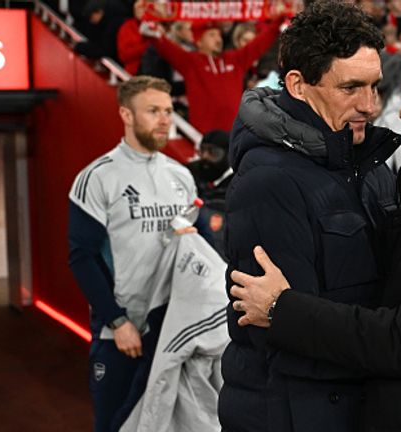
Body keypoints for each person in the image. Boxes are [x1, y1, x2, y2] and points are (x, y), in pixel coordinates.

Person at [220, 3, 401, 431]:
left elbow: (379, 298)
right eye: (350, 88)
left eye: (375, 86)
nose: (371, 105)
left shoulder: (369, 166)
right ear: (298, 85)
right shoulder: (268, 183)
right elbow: (281, 330)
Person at [67, 76, 201, 432]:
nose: (164, 120)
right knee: (117, 424)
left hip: (174, 331)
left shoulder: (182, 177)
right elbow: (82, 257)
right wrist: (117, 321)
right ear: (126, 114)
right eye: (153, 111)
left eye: (169, 111)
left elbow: (190, 249)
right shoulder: (97, 177)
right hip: (123, 335)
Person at [143, 17, 283, 132]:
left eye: (218, 34)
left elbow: (259, 43)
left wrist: (279, 20)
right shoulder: (190, 62)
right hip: (204, 137)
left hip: (235, 133)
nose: (218, 39)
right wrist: (151, 26)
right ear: (198, 41)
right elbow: (164, 46)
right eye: (212, 35)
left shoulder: (235, 59)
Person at [186, 129, 232, 258]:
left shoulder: (240, 185)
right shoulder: (189, 173)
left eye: (213, 152)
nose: (205, 157)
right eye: (202, 150)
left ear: (229, 155)